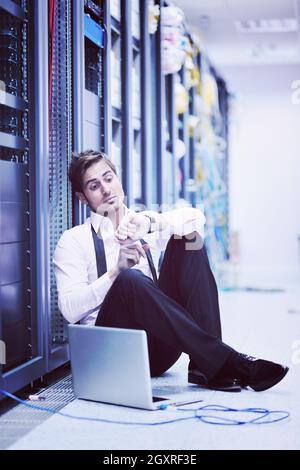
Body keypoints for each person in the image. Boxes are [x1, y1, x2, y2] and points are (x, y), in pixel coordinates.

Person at [54, 149, 289, 393]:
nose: (106, 189)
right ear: (82, 197)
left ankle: (204, 366)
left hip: (158, 352)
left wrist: (151, 223)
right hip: (114, 352)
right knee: (129, 279)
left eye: (108, 178)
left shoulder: (142, 223)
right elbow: (70, 309)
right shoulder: (73, 240)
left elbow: (197, 219)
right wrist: (115, 272)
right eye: (94, 186)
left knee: (189, 239)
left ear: (118, 178)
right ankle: (228, 362)